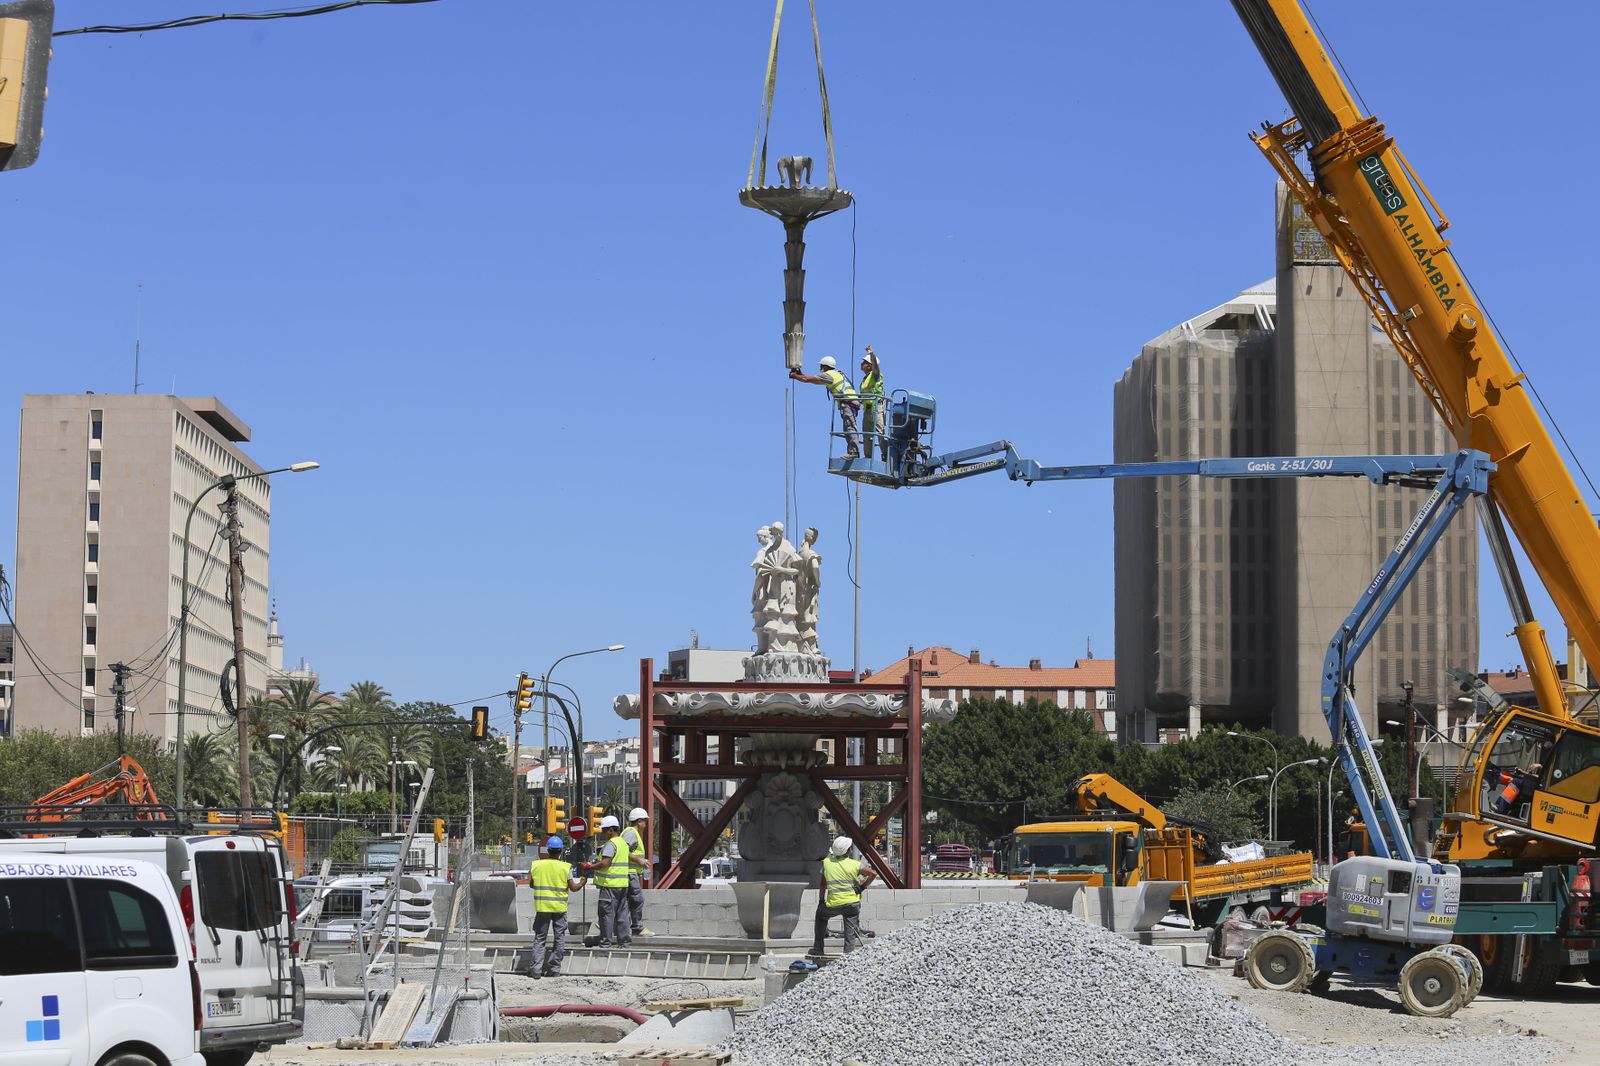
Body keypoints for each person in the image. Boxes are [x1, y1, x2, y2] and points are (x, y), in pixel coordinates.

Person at [528, 836, 586, 978]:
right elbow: (573, 888)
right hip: (559, 909)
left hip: (542, 908)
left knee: (540, 938)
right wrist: (582, 882)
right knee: (559, 938)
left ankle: (536, 970)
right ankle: (554, 969)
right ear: (560, 851)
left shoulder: (536, 865)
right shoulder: (565, 867)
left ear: (548, 850)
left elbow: (531, 884)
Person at [810, 835, 875, 957]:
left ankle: (818, 949)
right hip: (852, 905)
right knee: (850, 932)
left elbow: (822, 885)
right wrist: (863, 887)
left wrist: (821, 901)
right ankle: (848, 954)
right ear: (848, 850)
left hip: (833, 904)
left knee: (820, 916)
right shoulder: (855, 864)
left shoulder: (827, 863)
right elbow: (873, 874)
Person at [790, 355, 861, 459]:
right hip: (851, 403)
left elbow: (807, 379)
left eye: (821, 366)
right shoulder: (835, 374)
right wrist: (800, 375)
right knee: (848, 427)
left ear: (825, 367)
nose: (820, 369)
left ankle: (854, 452)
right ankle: (853, 451)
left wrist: (795, 376)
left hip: (848, 403)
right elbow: (814, 380)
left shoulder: (828, 375)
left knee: (850, 427)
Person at [582, 815, 632, 947]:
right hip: (622, 885)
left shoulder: (611, 844)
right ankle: (624, 943)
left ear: (611, 830)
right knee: (622, 916)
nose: (603, 834)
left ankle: (605, 943)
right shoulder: (623, 843)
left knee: (606, 916)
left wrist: (590, 866)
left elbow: (605, 863)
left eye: (604, 831)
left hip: (610, 886)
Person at [621, 807, 653, 938]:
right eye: (645, 821)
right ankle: (637, 927)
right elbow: (623, 851)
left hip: (630, 872)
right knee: (637, 899)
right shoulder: (631, 833)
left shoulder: (631, 833)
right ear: (639, 821)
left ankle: (610, 924)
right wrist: (639, 860)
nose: (646, 825)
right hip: (630, 872)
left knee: (626, 901)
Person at [859, 345, 887, 460]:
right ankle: (868, 458)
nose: (862, 364)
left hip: (877, 407)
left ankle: (885, 455)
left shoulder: (875, 375)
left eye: (864, 362)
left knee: (880, 432)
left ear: (870, 366)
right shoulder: (865, 379)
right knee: (867, 435)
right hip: (868, 409)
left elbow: (876, 367)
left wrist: (872, 354)